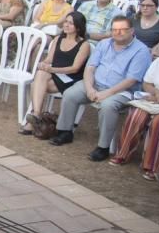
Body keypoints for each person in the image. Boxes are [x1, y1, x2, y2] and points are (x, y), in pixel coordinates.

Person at [50, 16, 152, 161]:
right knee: (70, 94)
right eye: (115, 29)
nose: (119, 32)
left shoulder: (141, 51)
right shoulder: (104, 44)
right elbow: (90, 68)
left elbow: (131, 80)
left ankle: (103, 147)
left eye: (123, 29)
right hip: (96, 84)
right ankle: (65, 132)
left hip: (122, 91)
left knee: (108, 105)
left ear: (132, 31)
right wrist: (90, 88)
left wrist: (106, 93)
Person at [112, 36, 159, 177]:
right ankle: (123, 154)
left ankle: (153, 166)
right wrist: (156, 92)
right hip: (153, 99)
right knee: (136, 115)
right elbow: (147, 84)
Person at [21, 12, 91, 135]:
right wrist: (44, 63)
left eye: (71, 23)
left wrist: (52, 69)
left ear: (78, 27)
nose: (66, 25)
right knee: (41, 74)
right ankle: (37, 114)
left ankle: (33, 120)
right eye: (66, 22)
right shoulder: (59, 39)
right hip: (56, 74)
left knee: (35, 85)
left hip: (70, 78)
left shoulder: (84, 45)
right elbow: (50, 59)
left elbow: (75, 68)